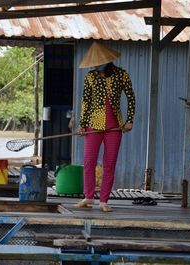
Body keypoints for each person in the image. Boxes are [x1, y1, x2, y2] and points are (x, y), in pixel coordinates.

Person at [76, 41, 135, 212]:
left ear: (106, 60)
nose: (94, 65)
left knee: (109, 164)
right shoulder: (90, 77)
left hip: (114, 128)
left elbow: (131, 97)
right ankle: (88, 197)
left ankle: (104, 200)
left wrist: (129, 120)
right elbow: (85, 102)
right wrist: (83, 124)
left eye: (97, 61)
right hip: (93, 126)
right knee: (89, 162)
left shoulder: (122, 75)